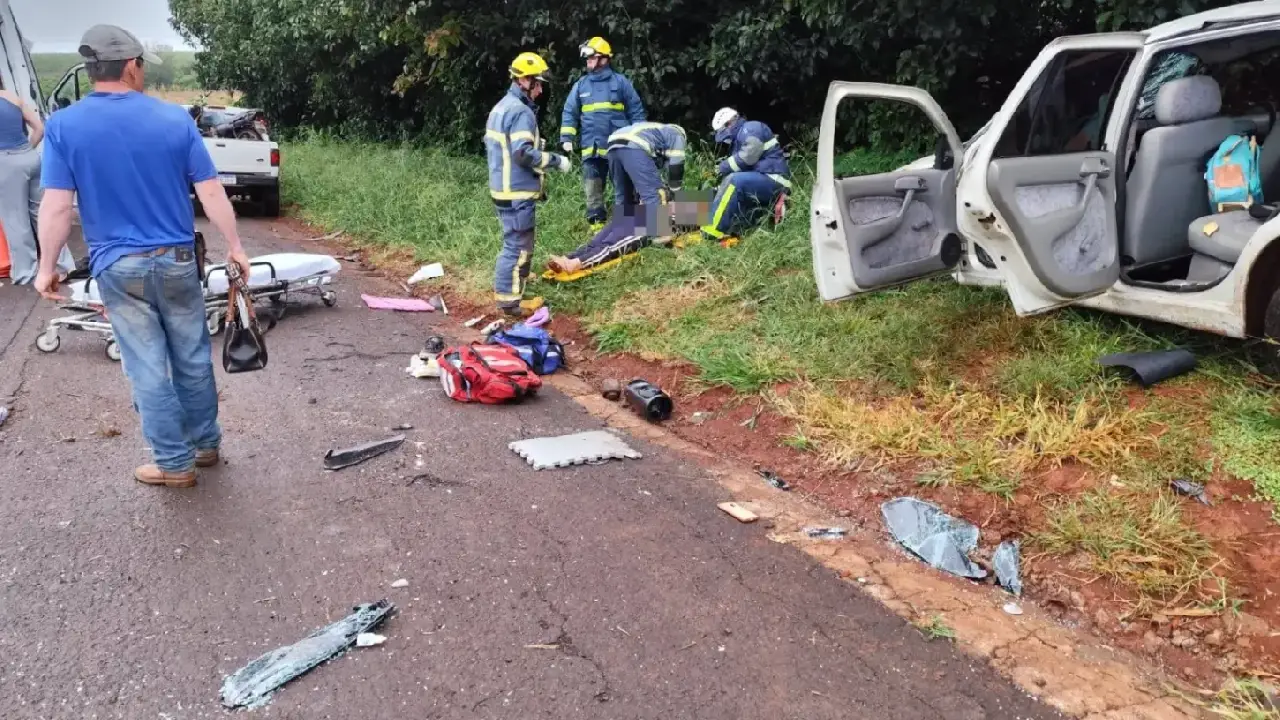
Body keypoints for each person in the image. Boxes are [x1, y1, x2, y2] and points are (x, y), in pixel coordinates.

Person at [33, 24, 251, 489]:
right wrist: (236, 248)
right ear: (132, 66)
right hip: (175, 260)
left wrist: (47, 268)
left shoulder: (64, 126)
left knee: (147, 365)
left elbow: (56, 206)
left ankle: (174, 464)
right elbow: (210, 192)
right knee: (192, 357)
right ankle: (206, 445)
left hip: (118, 267)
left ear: (91, 70)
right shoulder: (174, 120)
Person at [485, 51, 572, 317]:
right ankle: (510, 303)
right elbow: (522, 153)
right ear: (525, 81)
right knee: (518, 246)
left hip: (502, 188)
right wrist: (556, 161)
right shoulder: (521, 112)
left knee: (513, 243)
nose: (541, 88)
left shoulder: (501, 107)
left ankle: (514, 287)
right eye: (538, 82)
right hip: (517, 190)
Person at [559, 37, 646, 232]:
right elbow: (570, 111)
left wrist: (641, 140)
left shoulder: (621, 83)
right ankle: (596, 223)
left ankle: (626, 224)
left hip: (618, 148)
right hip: (592, 147)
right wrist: (566, 137)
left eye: (591, 58)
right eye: (588, 59)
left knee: (622, 186)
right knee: (593, 186)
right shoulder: (581, 85)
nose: (588, 62)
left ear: (604, 59)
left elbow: (636, 111)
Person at [0, 86, 75, 284]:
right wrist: (26, 151)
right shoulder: (13, 98)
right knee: (42, 213)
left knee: (15, 220)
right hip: (30, 157)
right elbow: (40, 128)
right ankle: (63, 266)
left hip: (5, 162)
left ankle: (27, 273)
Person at [546, 196, 710, 275]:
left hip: (654, 224)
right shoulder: (701, 197)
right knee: (600, 238)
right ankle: (568, 257)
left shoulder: (707, 210)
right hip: (641, 214)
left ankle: (576, 263)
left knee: (613, 244)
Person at [700, 107, 792, 242]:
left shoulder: (750, 128)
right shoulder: (738, 139)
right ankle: (675, 219)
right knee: (717, 192)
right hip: (759, 181)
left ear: (729, 123)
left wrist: (721, 167)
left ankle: (710, 232)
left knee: (734, 182)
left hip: (774, 179)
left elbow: (748, 157)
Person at [606, 122, 687, 227]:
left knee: (623, 192)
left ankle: (622, 229)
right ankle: (659, 233)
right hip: (635, 144)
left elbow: (648, 172)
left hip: (613, 143)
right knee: (654, 193)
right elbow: (676, 166)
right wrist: (676, 194)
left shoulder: (656, 132)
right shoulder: (677, 135)